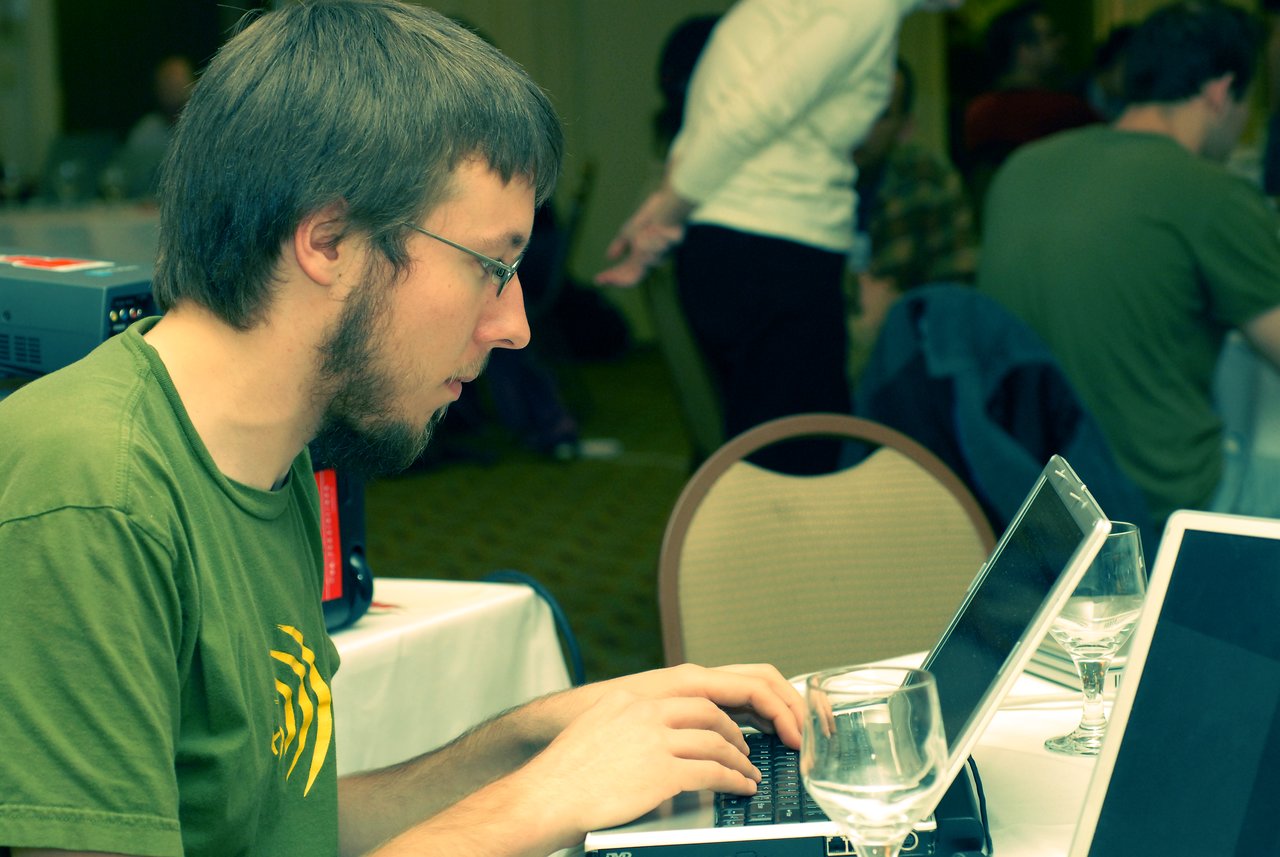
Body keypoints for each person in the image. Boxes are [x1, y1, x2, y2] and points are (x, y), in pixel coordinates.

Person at [0, 3, 807, 855]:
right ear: (329, 240)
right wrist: (540, 800)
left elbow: (281, 827)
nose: (516, 324)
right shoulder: (93, 493)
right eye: (492, 266)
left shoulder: (269, 464)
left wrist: (539, 737)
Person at [597, 0, 961, 475]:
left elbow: (722, 114)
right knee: (794, 475)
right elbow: (751, 114)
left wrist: (662, 210)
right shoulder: (865, 7)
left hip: (736, 252)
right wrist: (665, 213)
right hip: (777, 257)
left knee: (764, 466)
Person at [977, 1, 1280, 528]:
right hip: (1159, 500)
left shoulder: (1022, 169)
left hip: (1027, 497)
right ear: (1218, 93)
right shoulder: (1211, 192)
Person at [848, 57, 978, 382]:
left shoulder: (927, 180)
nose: (859, 125)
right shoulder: (801, 178)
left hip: (905, 358)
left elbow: (956, 290)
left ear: (904, 127)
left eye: (878, 115)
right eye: (850, 107)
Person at [960, 1, 1099, 216]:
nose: (1062, 42)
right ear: (1024, 51)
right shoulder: (1064, 111)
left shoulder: (977, 111)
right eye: (1051, 36)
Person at [114, 54, 195, 199]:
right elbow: (121, 176)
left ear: (193, 84)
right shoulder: (145, 130)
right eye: (165, 83)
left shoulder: (205, 129)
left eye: (176, 83)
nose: (171, 89)